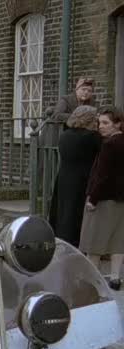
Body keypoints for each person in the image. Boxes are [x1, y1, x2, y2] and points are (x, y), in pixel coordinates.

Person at [79, 106, 124, 289]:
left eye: (105, 123)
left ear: (117, 124)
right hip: (121, 198)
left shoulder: (109, 145)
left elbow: (102, 175)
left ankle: (92, 280)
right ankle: (115, 278)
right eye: (99, 123)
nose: (100, 127)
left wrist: (92, 199)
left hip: (104, 198)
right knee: (118, 240)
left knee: (94, 241)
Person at [52, 106, 101, 247]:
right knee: (76, 212)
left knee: (64, 211)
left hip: (64, 176)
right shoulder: (91, 137)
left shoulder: (65, 135)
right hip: (82, 178)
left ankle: (62, 241)